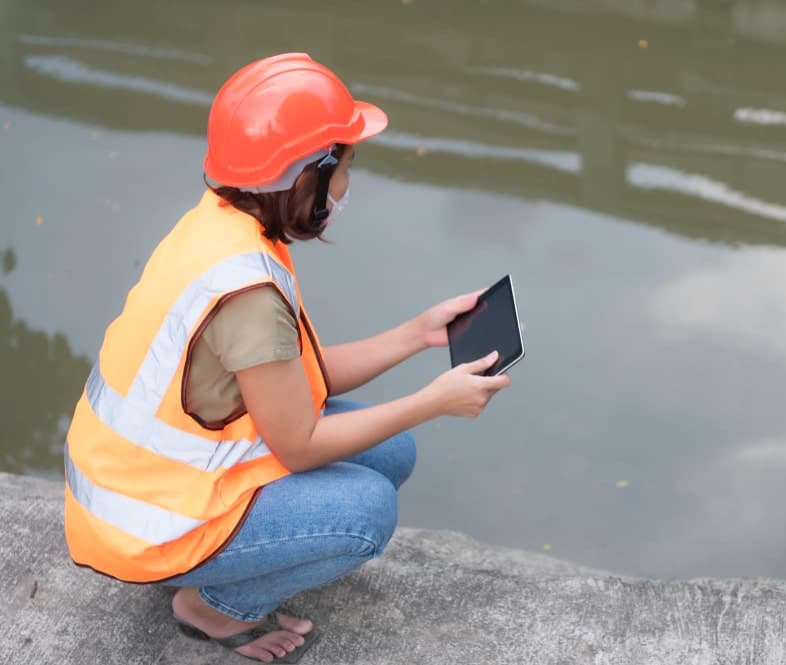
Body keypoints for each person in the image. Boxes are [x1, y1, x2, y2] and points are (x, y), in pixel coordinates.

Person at [62, 52, 511, 664]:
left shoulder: (223, 226)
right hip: (145, 520)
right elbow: (297, 444)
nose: (348, 186)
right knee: (365, 513)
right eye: (346, 168)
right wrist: (432, 402)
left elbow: (303, 375)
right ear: (307, 177)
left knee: (391, 453)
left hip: (158, 477)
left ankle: (251, 558)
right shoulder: (248, 293)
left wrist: (416, 333)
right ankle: (212, 607)